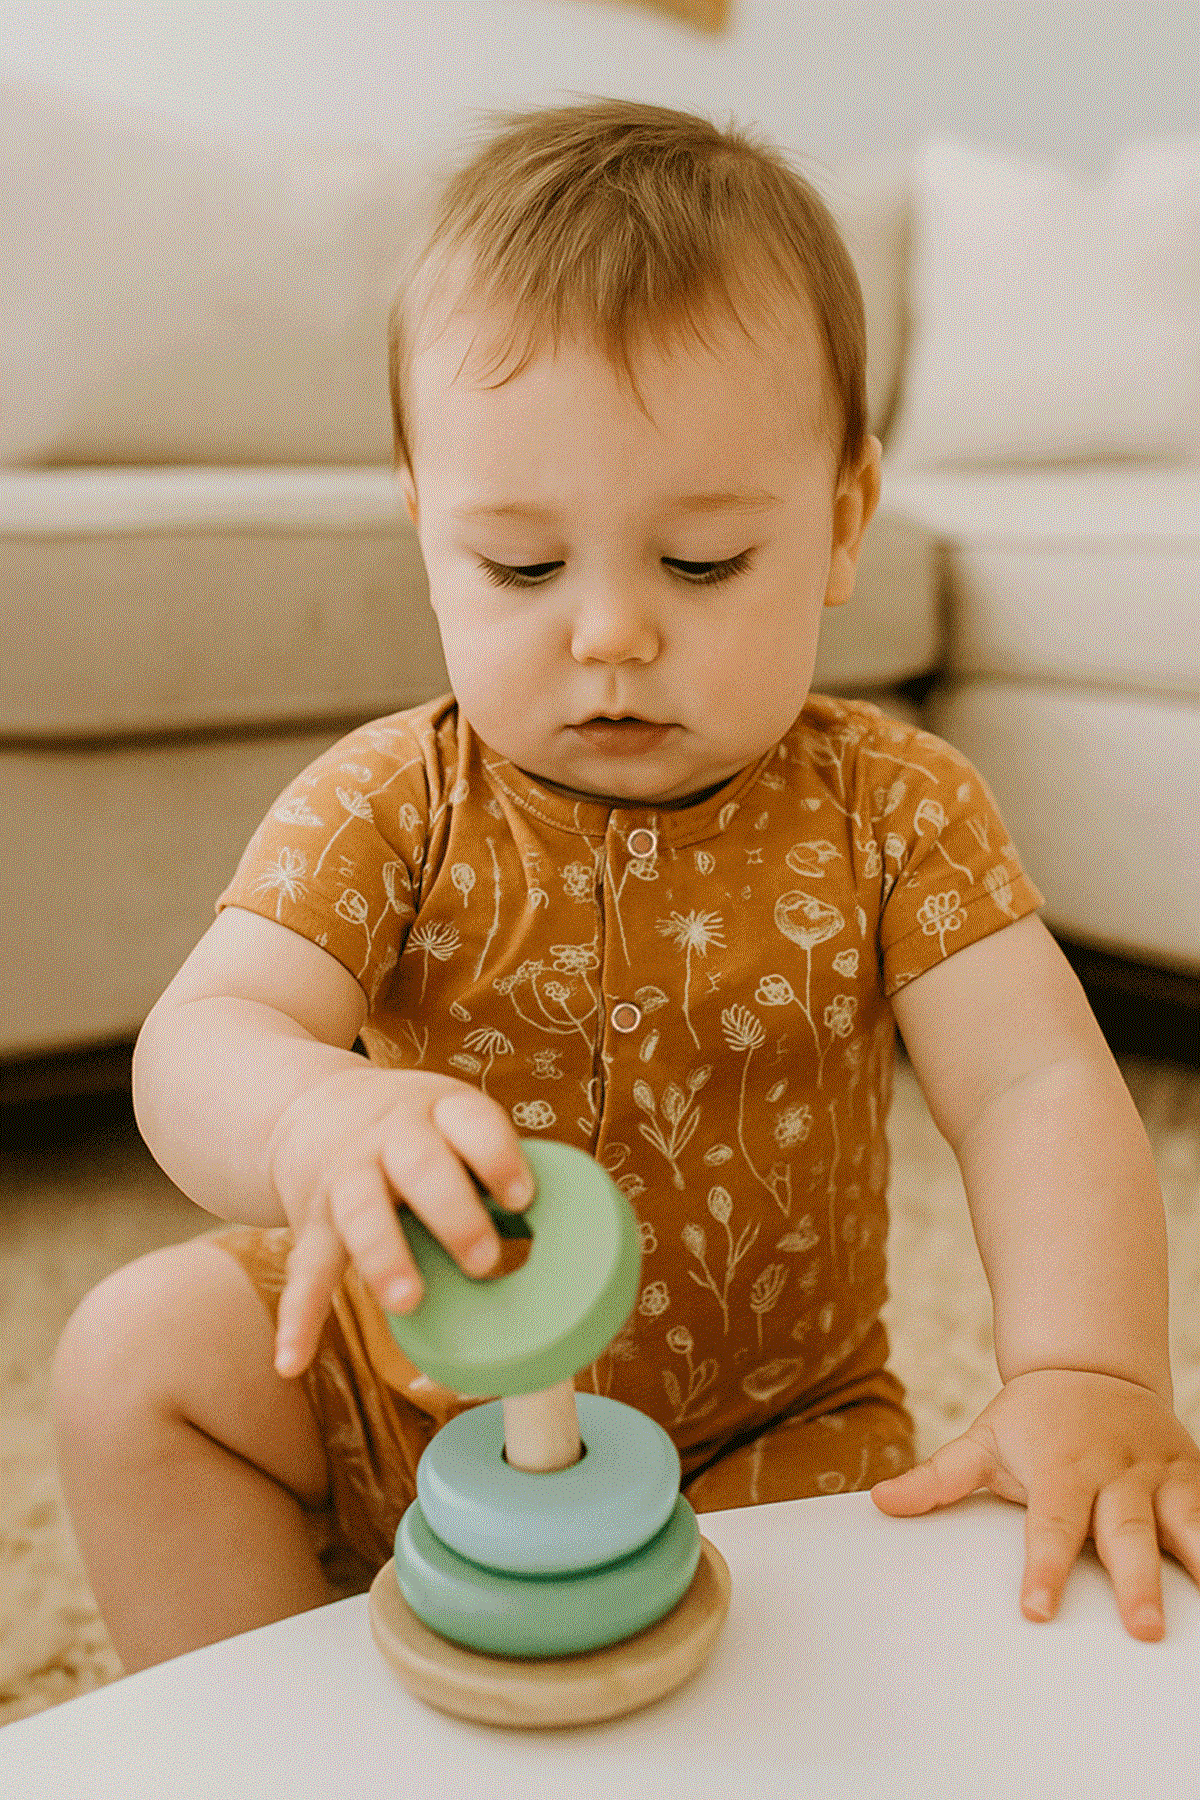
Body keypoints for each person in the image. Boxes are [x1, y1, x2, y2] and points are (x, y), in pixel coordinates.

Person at [54, 97, 1199, 1673]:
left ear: (845, 522)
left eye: (703, 563)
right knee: (134, 1363)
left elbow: (1034, 1085)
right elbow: (204, 1035)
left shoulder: (898, 808)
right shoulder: (393, 797)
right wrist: (313, 1115)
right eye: (521, 568)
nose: (608, 633)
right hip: (402, 1384)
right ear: (422, 525)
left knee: (878, 1646)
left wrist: (1091, 1372)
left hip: (769, 1424)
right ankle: (283, 1738)